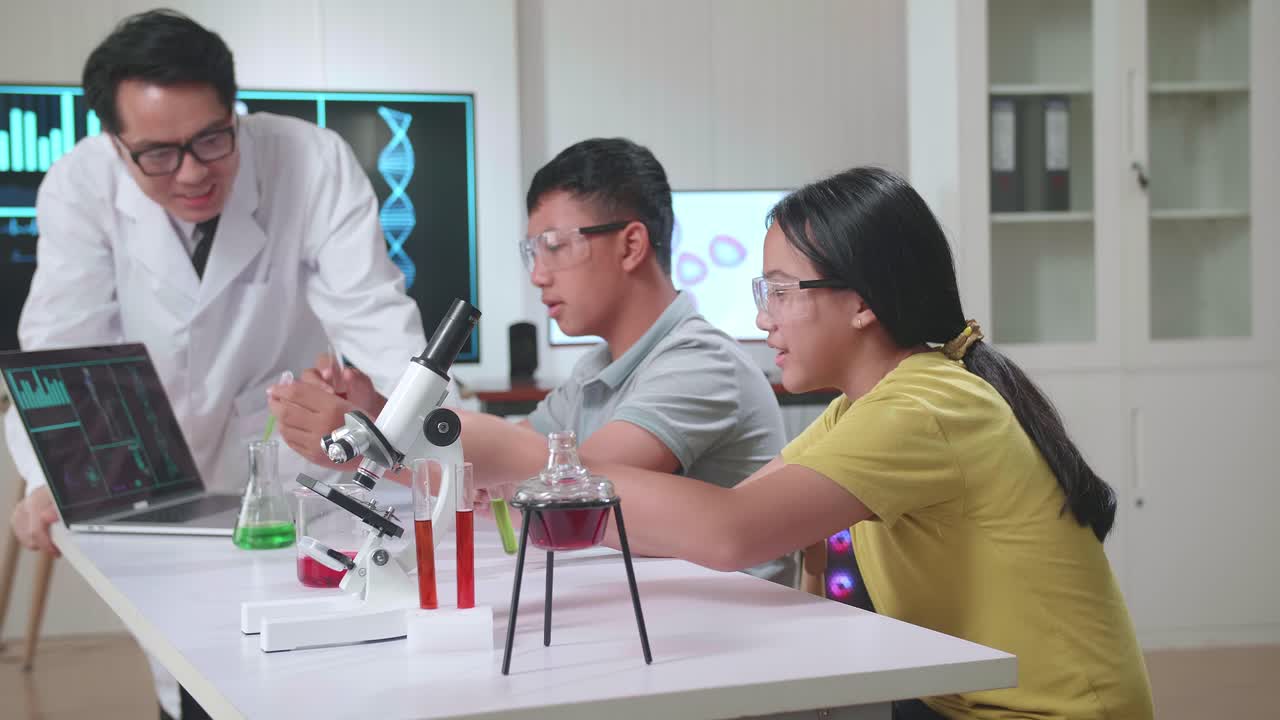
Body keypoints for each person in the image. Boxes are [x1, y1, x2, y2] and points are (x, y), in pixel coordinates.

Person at [516, 167, 1155, 719]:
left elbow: (731, 530)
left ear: (861, 302)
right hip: (961, 699)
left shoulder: (925, 406)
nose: (764, 318)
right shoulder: (865, 405)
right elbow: (739, 507)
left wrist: (527, 465)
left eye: (781, 291)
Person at [5, 10, 426, 719]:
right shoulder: (79, 187)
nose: (194, 172)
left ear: (236, 109)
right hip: (145, 474)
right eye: (159, 154)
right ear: (116, 143)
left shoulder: (311, 160)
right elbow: (59, 353)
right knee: (187, 674)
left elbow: (377, 318)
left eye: (211, 138)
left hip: (282, 469)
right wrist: (60, 475)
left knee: (297, 681)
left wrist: (440, 439)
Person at [269, 137, 793, 580]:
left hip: (724, 649)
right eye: (531, 253)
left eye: (554, 247)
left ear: (632, 245)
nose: (538, 274)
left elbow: (566, 496)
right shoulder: (594, 373)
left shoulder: (700, 364)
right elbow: (497, 474)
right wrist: (377, 410)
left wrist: (368, 439)